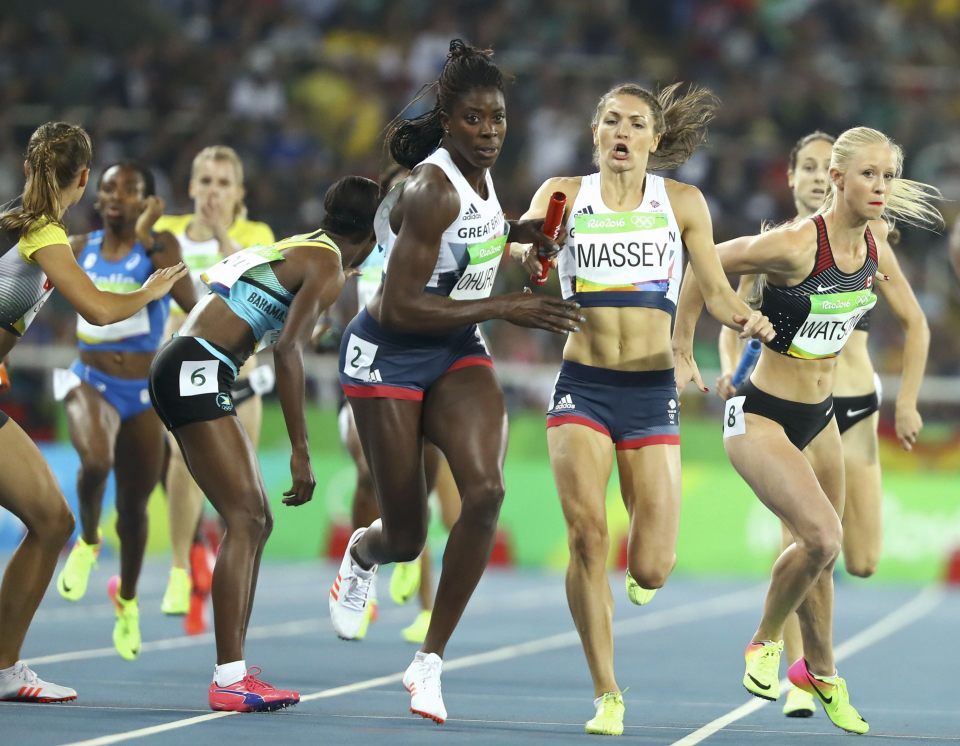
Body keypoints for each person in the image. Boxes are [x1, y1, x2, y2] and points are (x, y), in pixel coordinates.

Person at [328, 39, 585, 724]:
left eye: (497, 119)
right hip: (387, 354)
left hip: (453, 350)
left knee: (486, 491)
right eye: (474, 120)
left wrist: (523, 233)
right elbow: (399, 305)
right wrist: (508, 305)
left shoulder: (480, 177)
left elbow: (478, 237)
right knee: (406, 536)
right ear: (447, 122)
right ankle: (362, 552)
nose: (490, 132)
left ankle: (428, 662)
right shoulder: (431, 188)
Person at [514, 82, 773, 736]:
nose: (621, 132)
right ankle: (606, 692)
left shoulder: (681, 201)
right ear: (595, 133)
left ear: (654, 139)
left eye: (635, 123)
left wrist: (751, 319)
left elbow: (712, 286)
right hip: (583, 386)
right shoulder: (562, 195)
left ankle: (645, 574)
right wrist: (533, 250)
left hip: (651, 391)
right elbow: (519, 257)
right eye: (610, 121)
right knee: (586, 537)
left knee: (652, 564)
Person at [673, 126, 942, 735]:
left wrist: (903, 400)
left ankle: (822, 673)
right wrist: (685, 346)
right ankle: (765, 642)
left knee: (826, 555)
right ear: (837, 179)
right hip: (761, 412)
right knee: (822, 537)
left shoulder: (876, 249)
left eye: (888, 176)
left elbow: (914, 322)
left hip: (821, 418)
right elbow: (704, 264)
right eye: (867, 174)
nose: (880, 187)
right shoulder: (795, 245)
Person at [149, 175, 379, 712]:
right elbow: (290, 349)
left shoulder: (303, 247)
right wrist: (301, 447)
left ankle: (234, 672)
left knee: (254, 520)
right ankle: (228, 678)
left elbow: (265, 315)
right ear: (369, 236)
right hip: (198, 366)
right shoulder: (326, 265)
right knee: (247, 519)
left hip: (191, 363)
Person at [0, 122, 186, 702]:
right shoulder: (40, 232)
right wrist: (151, 293)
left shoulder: (14, 220)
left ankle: (5, 669)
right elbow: (101, 310)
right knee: (53, 521)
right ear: (82, 179)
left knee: (54, 521)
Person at [53, 162, 196, 661]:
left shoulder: (160, 249)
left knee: (134, 510)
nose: (115, 195)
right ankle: (88, 539)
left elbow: (192, 303)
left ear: (147, 202)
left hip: (142, 394)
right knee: (95, 462)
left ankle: (128, 601)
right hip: (89, 381)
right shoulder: (77, 248)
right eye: (109, 187)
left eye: (129, 190)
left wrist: (146, 235)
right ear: (97, 197)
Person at [334, 163, 462, 645]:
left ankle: (421, 592)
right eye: (400, 193)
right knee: (374, 473)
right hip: (368, 384)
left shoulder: (441, 248)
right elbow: (338, 301)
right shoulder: (365, 251)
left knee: (425, 491)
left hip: (422, 385)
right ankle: (364, 567)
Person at [153, 146, 275, 626]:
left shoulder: (255, 236)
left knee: (242, 499)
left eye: (224, 183)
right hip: (185, 380)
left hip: (241, 381)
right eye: (205, 181)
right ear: (190, 187)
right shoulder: (169, 238)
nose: (213, 192)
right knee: (182, 465)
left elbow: (259, 290)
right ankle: (180, 568)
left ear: (239, 194)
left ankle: (230, 584)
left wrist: (224, 235)